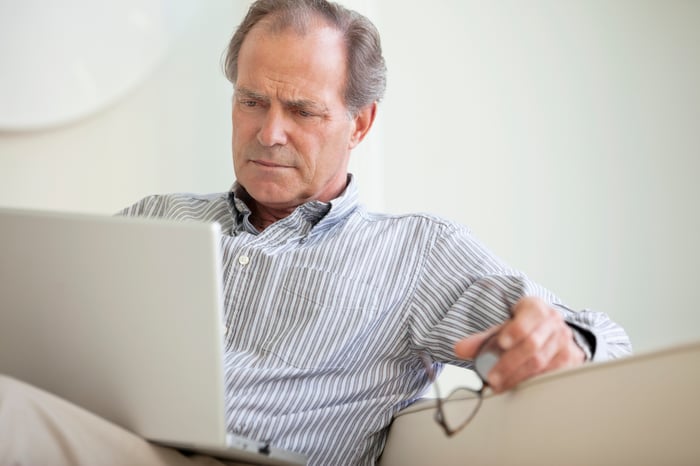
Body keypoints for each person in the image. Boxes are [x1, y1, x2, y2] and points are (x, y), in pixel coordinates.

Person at [0, 1, 632, 465]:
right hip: (106, 441)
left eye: (302, 110)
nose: (269, 133)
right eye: (251, 102)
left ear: (359, 125)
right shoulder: (158, 219)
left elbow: (604, 339)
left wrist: (563, 343)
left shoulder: (414, 254)